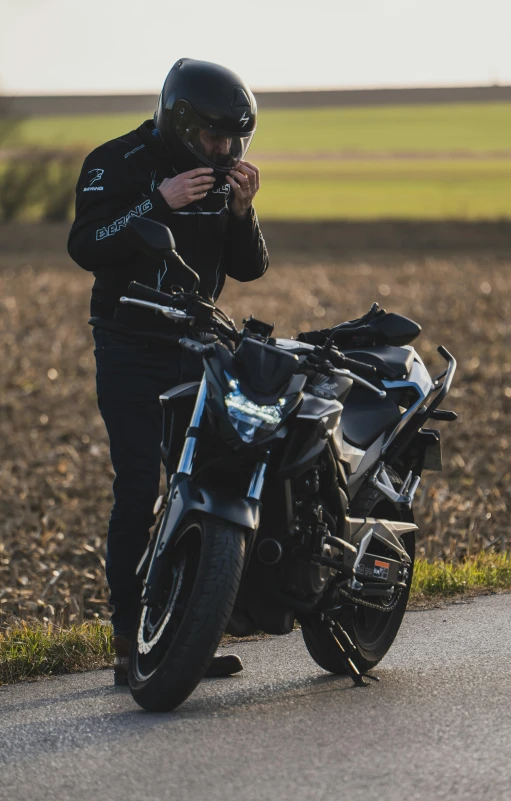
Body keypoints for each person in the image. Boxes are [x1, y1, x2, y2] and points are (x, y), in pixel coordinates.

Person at [68, 58, 269, 684]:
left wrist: (243, 212)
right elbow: (85, 244)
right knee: (138, 489)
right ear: (182, 121)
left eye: (236, 139)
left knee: (204, 490)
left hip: (198, 348)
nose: (225, 149)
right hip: (129, 347)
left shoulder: (223, 177)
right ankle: (128, 640)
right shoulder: (115, 161)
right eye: (215, 137)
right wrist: (157, 201)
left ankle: (187, 634)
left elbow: (250, 270)